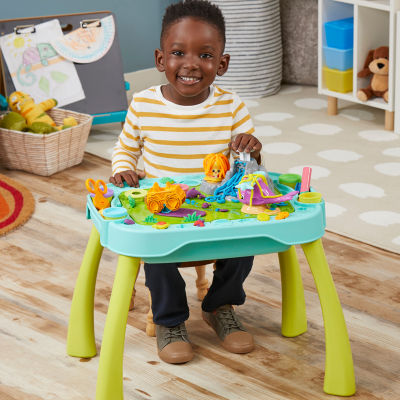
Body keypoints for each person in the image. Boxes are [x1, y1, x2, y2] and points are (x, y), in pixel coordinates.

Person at [110, 0, 263, 364]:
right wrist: (123, 171)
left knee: (247, 242)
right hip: (165, 208)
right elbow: (125, 150)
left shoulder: (231, 106)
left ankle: (219, 305)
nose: (191, 64)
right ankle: (170, 320)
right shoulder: (143, 105)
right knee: (156, 250)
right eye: (178, 53)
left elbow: (250, 170)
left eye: (205, 55)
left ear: (221, 64)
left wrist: (253, 151)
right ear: (161, 59)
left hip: (217, 207)